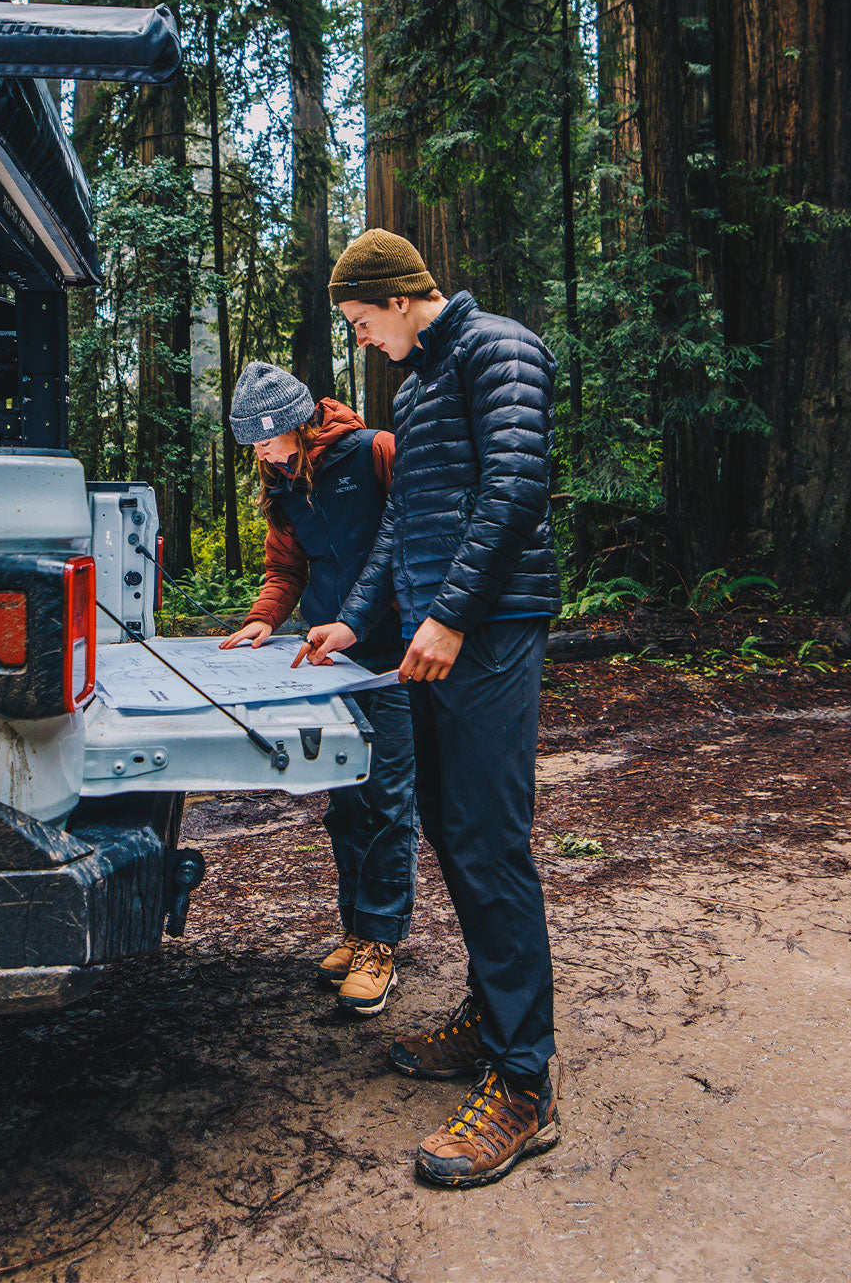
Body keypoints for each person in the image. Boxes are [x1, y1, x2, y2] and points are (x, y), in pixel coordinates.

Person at [295, 229, 563, 1190]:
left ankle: (524, 1083)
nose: (361, 339)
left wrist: (450, 613)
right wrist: (347, 619)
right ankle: (493, 1022)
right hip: (428, 638)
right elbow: (402, 526)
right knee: (450, 830)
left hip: (488, 631)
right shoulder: (413, 388)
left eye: (362, 320)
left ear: (396, 298)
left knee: (488, 839)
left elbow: (518, 486)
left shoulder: (502, 348)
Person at [221, 361, 418, 1016]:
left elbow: (409, 549)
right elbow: (286, 569)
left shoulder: (378, 452)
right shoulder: (282, 483)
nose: (262, 454)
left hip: (390, 660)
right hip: (326, 664)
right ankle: (356, 930)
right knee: (346, 804)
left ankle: (382, 945)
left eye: (266, 440)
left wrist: (384, 624)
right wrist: (260, 620)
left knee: (389, 801)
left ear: (300, 424)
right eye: (252, 445)